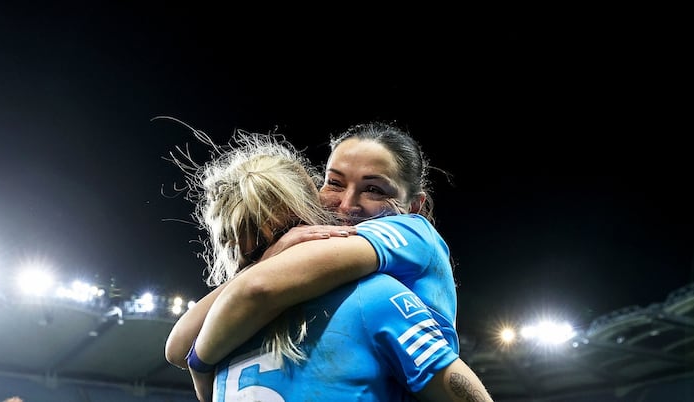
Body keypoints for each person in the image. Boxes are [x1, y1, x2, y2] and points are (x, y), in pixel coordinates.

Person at [169, 127, 491, 401]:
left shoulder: (412, 233)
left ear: (414, 205)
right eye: (334, 182)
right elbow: (180, 344)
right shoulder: (364, 296)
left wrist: (201, 363)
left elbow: (256, 288)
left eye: (374, 189)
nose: (347, 205)